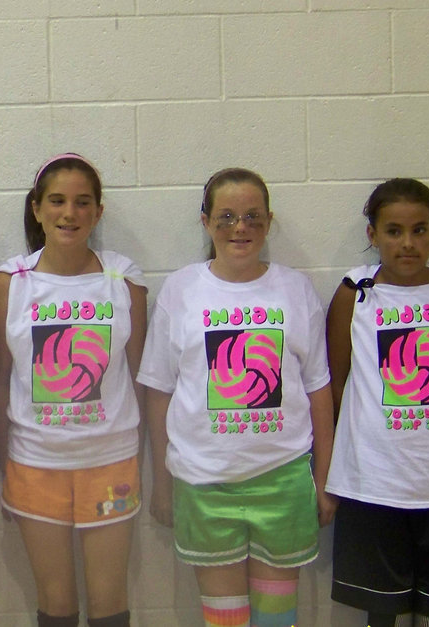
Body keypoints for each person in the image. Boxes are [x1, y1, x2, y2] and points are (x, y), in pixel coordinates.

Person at [137, 168, 336, 627]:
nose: (240, 228)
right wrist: (163, 483)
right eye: (226, 217)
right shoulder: (181, 290)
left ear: (269, 222)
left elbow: (318, 390)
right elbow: (159, 395)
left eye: (252, 217)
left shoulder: (295, 289)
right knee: (224, 620)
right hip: (204, 484)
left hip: (283, 480)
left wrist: (323, 479)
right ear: (205, 222)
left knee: (274, 619)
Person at [0, 154, 145, 627]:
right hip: (35, 463)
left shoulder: (123, 279)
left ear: (98, 212)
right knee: (56, 602)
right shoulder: (10, 281)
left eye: (82, 203)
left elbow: (140, 375)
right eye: (57, 201)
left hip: (110, 461)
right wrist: (2, 465)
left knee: (109, 600)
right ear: (36, 209)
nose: (69, 213)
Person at [324, 178, 429, 627]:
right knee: (383, 611)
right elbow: (337, 380)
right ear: (372, 234)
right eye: (393, 231)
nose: (408, 243)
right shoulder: (354, 294)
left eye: (419, 229)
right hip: (374, 479)